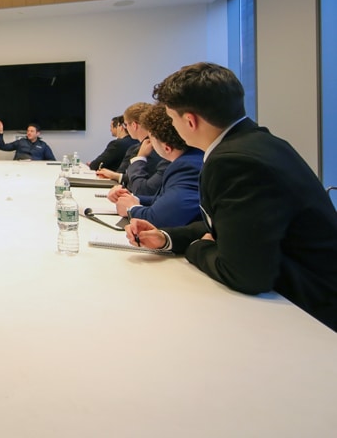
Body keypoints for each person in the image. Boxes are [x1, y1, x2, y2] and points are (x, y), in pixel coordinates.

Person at [125, 63, 337, 331]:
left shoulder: (233, 162)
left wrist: (197, 248)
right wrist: (167, 238)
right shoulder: (259, 142)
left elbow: (246, 275)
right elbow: (234, 223)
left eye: (172, 118)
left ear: (190, 120)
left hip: (311, 317)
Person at [107, 103, 203, 227]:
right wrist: (134, 199)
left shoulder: (186, 166)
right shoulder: (184, 160)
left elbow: (159, 218)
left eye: (151, 139)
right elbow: (163, 201)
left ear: (166, 148)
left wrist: (131, 208)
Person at [97, 102, 168, 196]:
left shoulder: (146, 149)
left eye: (126, 125)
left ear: (134, 125)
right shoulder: (142, 146)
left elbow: (143, 187)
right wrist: (117, 176)